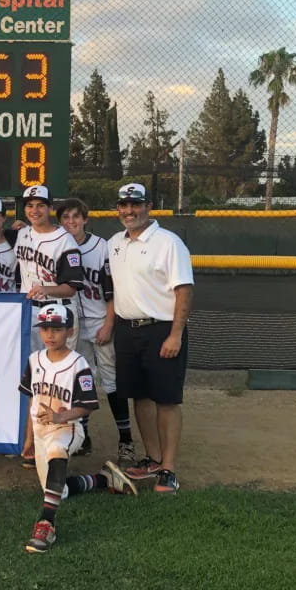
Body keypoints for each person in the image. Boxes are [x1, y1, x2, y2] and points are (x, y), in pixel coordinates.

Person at [108, 182, 194, 494]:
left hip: (161, 329)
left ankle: (169, 468)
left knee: (167, 400)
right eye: (124, 205)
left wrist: (176, 335)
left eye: (136, 204)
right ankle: (153, 458)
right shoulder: (114, 242)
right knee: (139, 397)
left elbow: (184, 290)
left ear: (149, 207)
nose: (129, 210)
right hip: (127, 329)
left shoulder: (168, 242)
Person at [55, 197, 135, 463]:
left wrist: (109, 324)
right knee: (81, 383)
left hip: (100, 320)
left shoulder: (101, 247)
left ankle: (125, 440)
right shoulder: (56, 244)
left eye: (76, 217)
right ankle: (84, 438)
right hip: (73, 326)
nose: (71, 222)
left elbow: (113, 292)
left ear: (85, 219)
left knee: (112, 383)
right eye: (65, 218)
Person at [14, 185, 85, 469]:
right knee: (35, 381)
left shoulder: (64, 241)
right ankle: (33, 441)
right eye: (29, 205)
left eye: (40, 205)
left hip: (59, 316)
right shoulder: (21, 233)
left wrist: (46, 288)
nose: (34, 210)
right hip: (30, 315)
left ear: (49, 208)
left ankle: (60, 442)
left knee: (58, 383)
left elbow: (72, 287)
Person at [19, 304, 98, 552]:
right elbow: (32, 402)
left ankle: (46, 525)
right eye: (45, 329)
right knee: (56, 490)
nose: (50, 335)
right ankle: (102, 480)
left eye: (56, 329)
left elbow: (86, 407)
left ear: (70, 331)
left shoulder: (78, 364)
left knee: (57, 452)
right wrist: (29, 439)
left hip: (68, 429)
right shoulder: (34, 360)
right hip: (41, 431)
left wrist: (60, 417)